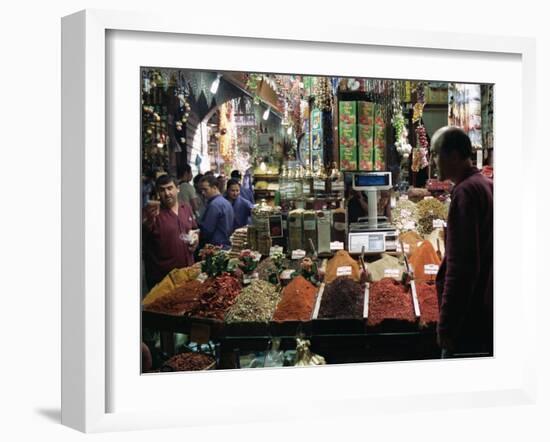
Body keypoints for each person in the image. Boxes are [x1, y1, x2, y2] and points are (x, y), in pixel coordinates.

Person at [431, 126, 493, 358]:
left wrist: (447, 324)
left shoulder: (465, 193)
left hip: (469, 318)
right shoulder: (485, 184)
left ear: (454, 155)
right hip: (484, 310)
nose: (433, 161)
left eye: (436, 153)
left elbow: (462, 266)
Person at [142, 174, 198, 289]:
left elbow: (194, 229)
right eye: (162, 190)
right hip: (164, 280)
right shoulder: (152, 213)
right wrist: (147, 220)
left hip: (188, 273)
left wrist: (196, 238)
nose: (167, 193)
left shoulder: (186, 208)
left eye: (170, 188)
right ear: (158, 193)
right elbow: (144, 236)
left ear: (177, 189)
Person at [197, 175, 234, 249]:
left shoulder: (214, 205)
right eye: (202, 190)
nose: (203, 193)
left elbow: (207, 230)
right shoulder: (226, 202)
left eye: (205, 189)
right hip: (226, 245)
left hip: (216, 247)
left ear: (214, 188)